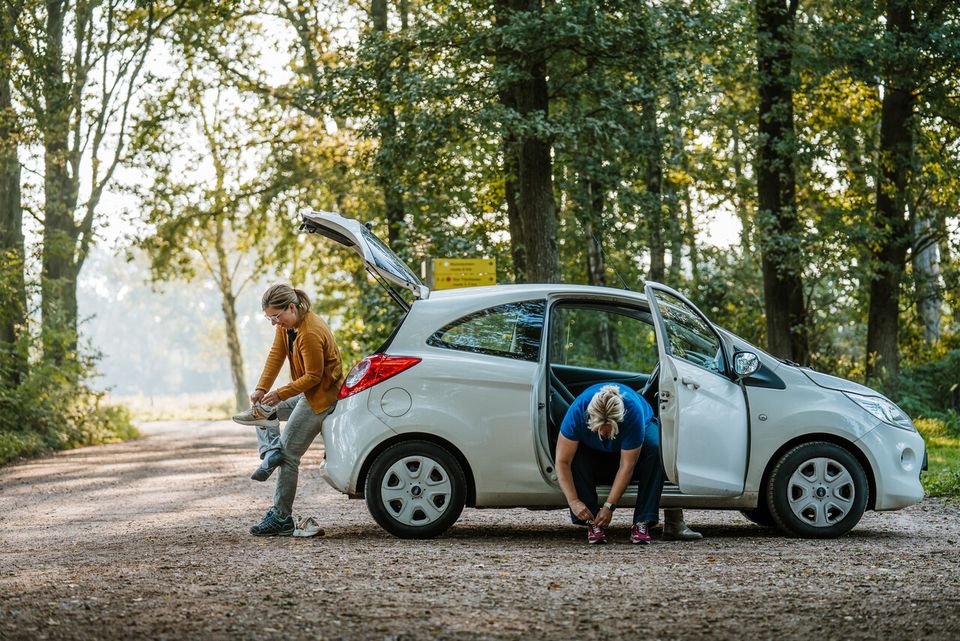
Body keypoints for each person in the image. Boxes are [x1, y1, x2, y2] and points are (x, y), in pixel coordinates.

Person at [232, 284, 343, 537]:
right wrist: (262, 388)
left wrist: (280, 393)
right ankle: (271, 451)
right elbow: (276, 355)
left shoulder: (310, 332)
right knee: (261, 410)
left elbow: (313, 377)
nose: (274, 323)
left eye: (276, 316)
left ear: (291, 307)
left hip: (321, 399)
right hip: (307, 394)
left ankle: (281, 517)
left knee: (289, 455)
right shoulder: (287, 327)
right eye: (269, 318)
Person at [555, 383, 702, 544]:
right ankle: (592, 521)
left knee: (656, 449)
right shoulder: (577, 412)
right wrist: (574, 502)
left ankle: (642, 521)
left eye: (607, 429)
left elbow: (626, 466)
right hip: (591, 444)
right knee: (575, 455)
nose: (602, 433)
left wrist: (609, 506)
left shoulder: (632, 414)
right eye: (598, 428)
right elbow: (562, 462)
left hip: (638, 432)